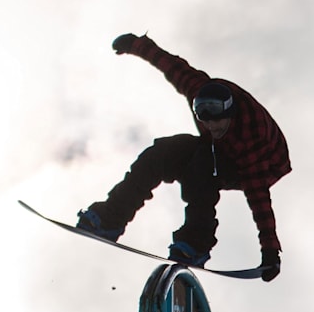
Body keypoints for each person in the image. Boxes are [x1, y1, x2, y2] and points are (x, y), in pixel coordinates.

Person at [77, 33, 290, 281]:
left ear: (230, 114)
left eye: (218, 123)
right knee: (161, 153)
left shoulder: (250, 137)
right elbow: (170, 64)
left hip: (266, 163)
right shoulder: (196, 87)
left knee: (202, 166)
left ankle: (195, 244)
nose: (212, 127)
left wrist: (270, 250)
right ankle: (110, 219)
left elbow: (258, 196)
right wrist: (136, 44)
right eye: (205, 121)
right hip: (214, 151)